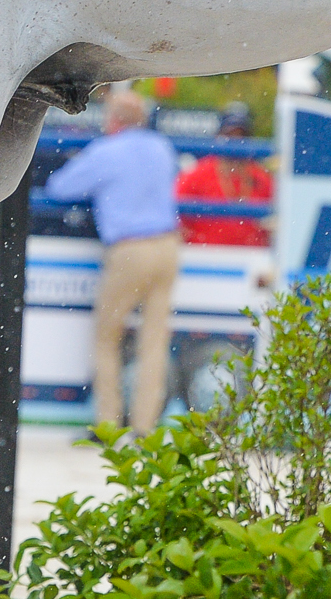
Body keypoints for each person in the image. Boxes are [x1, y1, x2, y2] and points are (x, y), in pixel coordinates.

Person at [43, 88, 183, 438]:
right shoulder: (161, 147)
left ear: (114, 120)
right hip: (168, 244)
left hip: (129, 249)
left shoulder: (107, 151)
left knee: (107, 337)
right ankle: (145, 428)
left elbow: (59, 188)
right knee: (154, 342)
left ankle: (108, 424)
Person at [174, 101, 274, 246]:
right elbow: (175, 219)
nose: (236, 141)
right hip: (205, 258)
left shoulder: (263, 178)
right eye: (230, 135)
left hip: (251, 260)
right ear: (219, 136)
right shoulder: (196, 175)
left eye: (242, 135)